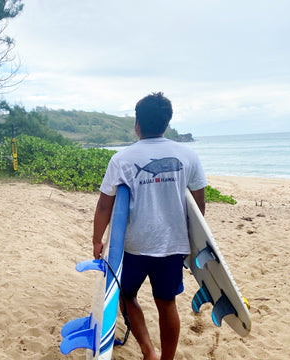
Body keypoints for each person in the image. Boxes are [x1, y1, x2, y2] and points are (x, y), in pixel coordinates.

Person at [92, 92, 207, 360]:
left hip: (133, 245)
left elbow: (104, 206)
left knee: (126, 295)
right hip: (173, 244)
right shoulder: (188, 155)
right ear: (167, 123)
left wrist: (98, 239)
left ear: (137, 124)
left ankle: (148, 351)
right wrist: (192, 243)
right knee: (167, 304)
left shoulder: (122, 159)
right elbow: (198, 207)